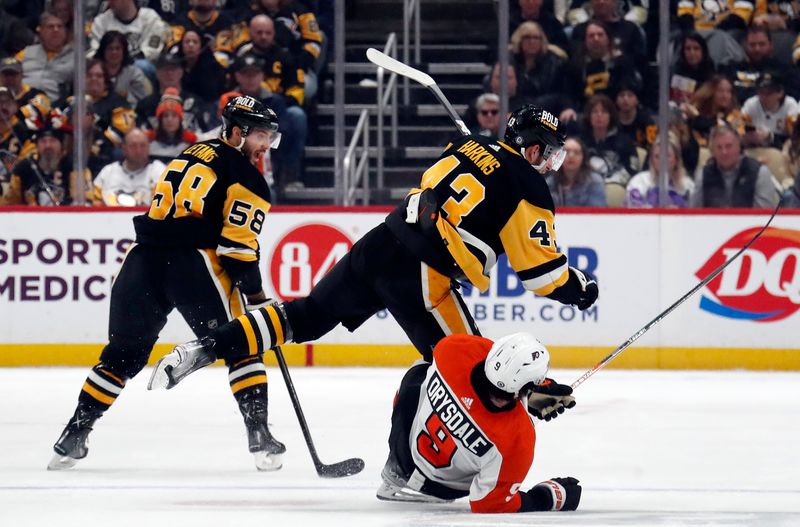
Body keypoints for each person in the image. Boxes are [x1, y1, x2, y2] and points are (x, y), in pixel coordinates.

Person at [148, 105, 599, 438]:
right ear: (534, 147)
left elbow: (465, 184)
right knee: (467, 366)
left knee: (303, 316)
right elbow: (541, 274)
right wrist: (579, 289)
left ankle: (205, 348)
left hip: (379, 243)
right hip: (424, 275)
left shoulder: (467, 145)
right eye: (551, 155)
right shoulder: (529, 185)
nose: (551, 165)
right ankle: (404, 469)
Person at [48, 95, 286, 472]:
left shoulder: (192, 152)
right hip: (193, 263)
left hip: (142, 259)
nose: (265, 146)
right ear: (238, 133)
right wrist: (257, 297)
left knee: (121, 356)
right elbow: (236, 250)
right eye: (260, 135)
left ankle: (73, 435)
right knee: (243, 344)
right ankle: (259, 437)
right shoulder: (247, 177)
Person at [377, 332, 581, 513]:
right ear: (524, 391)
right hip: (436, 487)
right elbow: (489, 503)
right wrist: (547, 497)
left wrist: (529, 393)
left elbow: (484, 357)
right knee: (496, 461)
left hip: (404, 446)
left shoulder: (453, 348)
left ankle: (397, 465)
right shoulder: (517, 439)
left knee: (421, 369)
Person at [691, 124, 779, 208]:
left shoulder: (759, 173)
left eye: (728, 146)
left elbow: (763, 215)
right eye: (719, 147)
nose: (724, 152)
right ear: (713, 151)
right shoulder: (704, 174)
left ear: (739, 147)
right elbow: (694, 213)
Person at [92, 128, 166, 206]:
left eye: (143, 145)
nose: (138, 151)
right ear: (124, 148)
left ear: (149, 147)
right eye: (133, 146)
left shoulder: (160, 172)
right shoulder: (107, 172)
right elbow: (95, 205)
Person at [16, 12, 74, 101]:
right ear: (41, 31)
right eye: (50, 27)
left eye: (60, 26)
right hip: (21, 99)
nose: (56, 30)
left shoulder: (75, 58)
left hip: (53, 105)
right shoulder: (26, 52)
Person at [626, 137, 694, 208]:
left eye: (667, 156)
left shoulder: (688, 186)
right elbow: (632, 212)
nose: (662, 160)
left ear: (676, 159)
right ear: (651, 160)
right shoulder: (639, 182)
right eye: (657, 156)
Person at [94, 30, 153, 105]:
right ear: (103, 51)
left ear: (124, 51)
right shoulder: (93, 71)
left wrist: (126, 96)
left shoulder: (134, 73)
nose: (114, 52)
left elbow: (141, 100)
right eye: (110, 48)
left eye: (118, 48)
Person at [741, 72, 798, 149]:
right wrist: (746, 136)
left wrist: (770, 137)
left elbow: (794, 136)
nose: (765, 97)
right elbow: (738, 126)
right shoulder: (751, 104)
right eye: (761, 93)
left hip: (781, 150)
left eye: (769, 93)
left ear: (780, 93)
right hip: (756, 149)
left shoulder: (790, 106)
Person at [546, 136, 607, 207]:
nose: (571, 156)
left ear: (583, 157)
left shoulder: (594, 182)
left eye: (577, 152)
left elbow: (597, 212)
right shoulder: (550, 183)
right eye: (566, 152)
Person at [145, 88, 199, 162]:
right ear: (160, 120)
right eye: (166, 116)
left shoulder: (191, 141)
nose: (169, 120)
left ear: (180, 120)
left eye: (174, 116)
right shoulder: (147, 140)